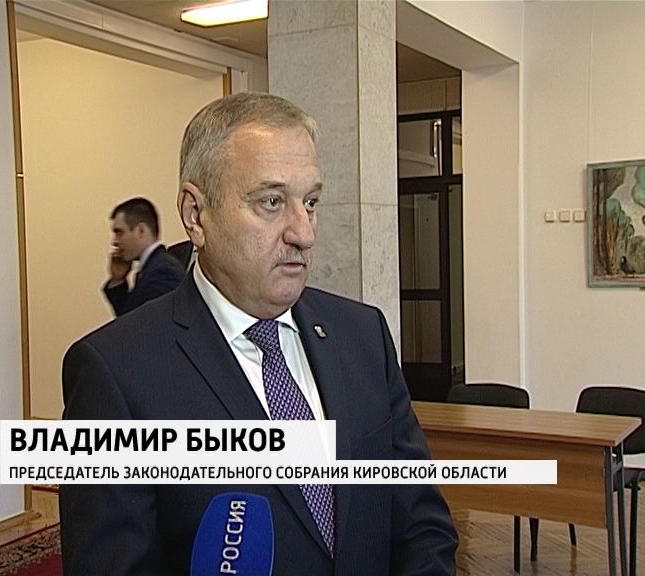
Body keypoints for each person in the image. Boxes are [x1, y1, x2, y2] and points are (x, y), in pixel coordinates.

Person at [60, 93, 458, 575]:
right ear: (196, 215)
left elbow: (422, 525)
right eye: (272, 202)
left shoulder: (363, 335)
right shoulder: (114, 374)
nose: (303, 233)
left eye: (310, 202)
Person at [103, 197, 184, 316]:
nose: (114, 242)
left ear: (141, 231)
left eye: (119, 233)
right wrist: (118, 280)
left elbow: (142, 324)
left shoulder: (163, 271)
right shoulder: (153, 267)